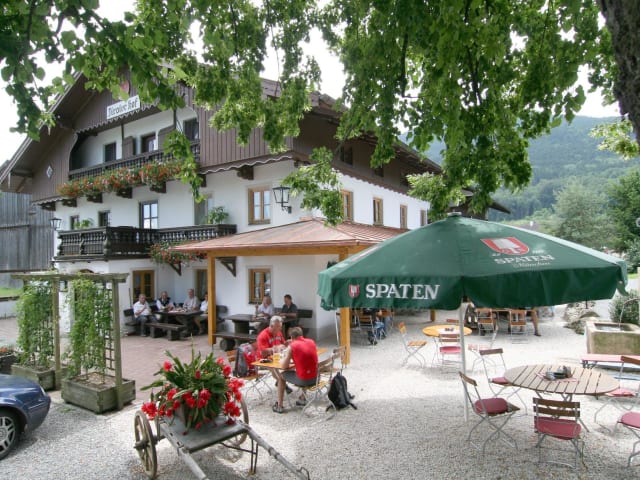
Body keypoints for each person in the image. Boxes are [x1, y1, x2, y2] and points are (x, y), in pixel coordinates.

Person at [273, 326, 318, 414]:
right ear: (302, 334)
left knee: (281, 376)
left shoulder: (292, 346)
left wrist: (287, 354)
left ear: (291, 337)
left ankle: (279, 406)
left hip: (304, 381)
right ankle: (302, 398)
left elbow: (284, 366)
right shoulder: (311, 342)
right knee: (305, 369)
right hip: (316, 378)